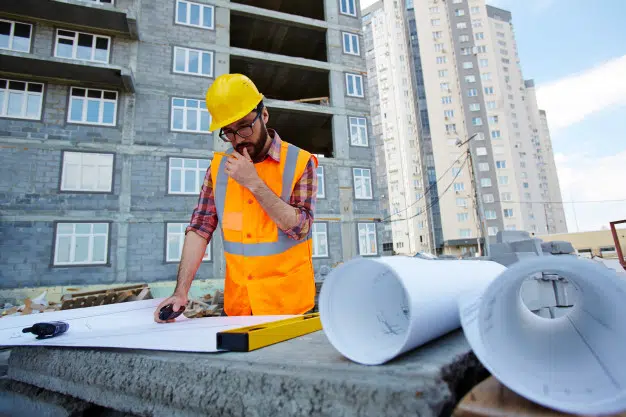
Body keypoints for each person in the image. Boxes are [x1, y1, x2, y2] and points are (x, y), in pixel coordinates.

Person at [154, 73, 319, 322]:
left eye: (244, 126)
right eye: (228, 132)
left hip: (289, 308)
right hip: (239, 307)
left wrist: (253, 183)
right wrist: (181, 292)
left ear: (263, 115)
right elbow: (200, 228)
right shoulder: (219, 167)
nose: (238, 139)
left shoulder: (299, 162)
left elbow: (300, 228)